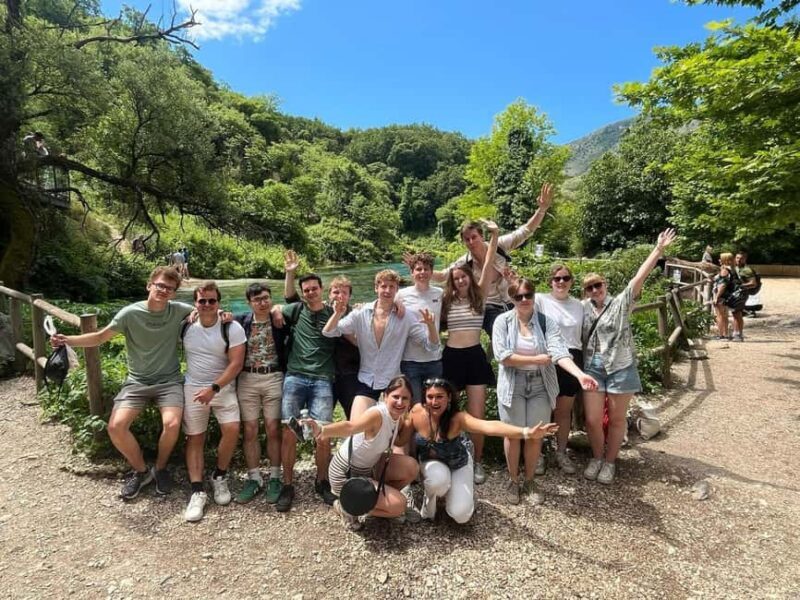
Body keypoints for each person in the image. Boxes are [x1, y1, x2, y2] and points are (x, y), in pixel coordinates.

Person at [49, 266, 191, 499]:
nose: (164, 290)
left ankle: (161, 468)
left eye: (170, 288)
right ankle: (141, 471)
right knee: (116, 427)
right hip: (137, 381)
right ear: (149, 285)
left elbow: (209, 310)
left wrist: (222, 315)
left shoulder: (179, 310)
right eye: (160, 285)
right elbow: (99, 337)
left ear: (174, 293)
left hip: (169, 381)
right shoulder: (129, 314)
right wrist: (67, 340)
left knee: (173, 424)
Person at [581, 228, 677, 485]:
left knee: (616, 420)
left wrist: (658, 250)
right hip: (592, 368)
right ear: (586, 292)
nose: (595, 290)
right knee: (591, 420)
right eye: (590, 287)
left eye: (598, 285)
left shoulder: (621, 303)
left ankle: (610, 462)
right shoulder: (583, 309)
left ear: (605, 285)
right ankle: (597, 457)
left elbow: (638, 278)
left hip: (620, 367)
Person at [492, 278, 597, 504]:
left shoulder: (546, 322)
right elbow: (503, 356)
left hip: (540, 384)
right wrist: (538, 358)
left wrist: (580, 375)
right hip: (513, 384)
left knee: (535, 435)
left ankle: (529, 481)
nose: (524, 300)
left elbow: (559, 352)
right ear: (512, 299)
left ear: (533, 296)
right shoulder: (502, 321)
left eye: (528, 295)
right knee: (513, 435)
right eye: (518, 296)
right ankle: (513, 480)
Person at [397, 378, 558, 521]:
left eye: (440, 396)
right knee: (437, 481)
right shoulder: (416, 413)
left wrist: (526, 432)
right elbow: (400, 440)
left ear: (449, 398)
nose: (434, 401)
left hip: (459, 463)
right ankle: (430, 504)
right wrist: (393, 418)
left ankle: (462, 496)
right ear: (424, 399)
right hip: (432, 463)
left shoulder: (458, 418)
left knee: (460, 515)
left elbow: (489, 426)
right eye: (430, 397)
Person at [432, 182, 554, 337]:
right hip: (489, 305)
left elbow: (525, 231)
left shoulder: (499, 245)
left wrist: (542, 209)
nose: (471, 242)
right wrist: (422, 271)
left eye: (474, 237)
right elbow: (443, 276)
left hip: (512, 298)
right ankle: (505, 357)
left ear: (481, 236)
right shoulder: (465, 263)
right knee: (501, 331)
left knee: (536, 327)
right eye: (467, 239)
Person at [304, 376, 419, 530]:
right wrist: (322, 430)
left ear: (410, 401)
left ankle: (374, 502)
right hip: (346, 474)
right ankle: (347, 506)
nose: (400, 402)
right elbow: (350, 427)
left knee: (411, 467)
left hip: (369, 467)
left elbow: (398, 442)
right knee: (399, 506)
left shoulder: (396, 416)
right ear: (385, 397)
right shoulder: (377, 415)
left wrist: (412, 420)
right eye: (395, 397)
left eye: (405, 398)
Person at [322, 269, 439, 421]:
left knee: (398, 435)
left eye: (392, 287)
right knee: (356, 428)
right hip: (366, 380)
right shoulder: (360, 313)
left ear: (397, 290)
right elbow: (329, 332)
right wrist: (337, 313)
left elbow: (432, 346)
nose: (387, 290)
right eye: (384, 286)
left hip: (393, 382)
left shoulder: (407, 317)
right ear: (376, 288)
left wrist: (430, 326)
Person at [439, 219, 499, 484]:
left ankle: (477, 462)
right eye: (456, 278)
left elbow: (487, 265)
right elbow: (424, 284)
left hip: (474, 357)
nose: (461, 280)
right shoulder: (446, 301)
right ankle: (446, 455)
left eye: (464, 276)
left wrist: (494, 236)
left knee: (477, 414)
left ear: (469, 278)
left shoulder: (480, 296)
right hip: (450, 358)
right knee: (445, 411)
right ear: (452, 282)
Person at [182, 282, 246, 522]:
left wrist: (214, 388)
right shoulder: (185, 325)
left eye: (212, 301)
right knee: (195, 437)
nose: (207, 305)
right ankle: (197, 490)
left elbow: (236, 364)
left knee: (232, 429)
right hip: (193, 387)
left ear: (219, 303)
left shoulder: (232, 327)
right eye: (202, 301)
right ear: (195, 304)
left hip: (222, 386)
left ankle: (219, 475)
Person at [275, 272, 338, 512]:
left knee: (323, 434)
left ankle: (322, 481)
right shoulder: (296, 310)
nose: (311, 292)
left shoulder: (334, 312)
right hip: (295, 376)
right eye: (307, 290)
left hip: (323, 379)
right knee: (289, 431)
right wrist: (276, 309)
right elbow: (277, 307)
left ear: (322, 289)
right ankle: (287, 484)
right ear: (303, 293)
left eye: (314, 288)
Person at [284, 250, 360, 419]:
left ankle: (353, 445)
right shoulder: (320, 309)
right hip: (325, 375)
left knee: (353, 418)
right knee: (319, 423)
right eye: (335, 292)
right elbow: (291, 298)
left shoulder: (356, 314)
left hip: (349, 374)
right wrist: (290, 273)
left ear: (350, 296)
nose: (339, 296)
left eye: (344, 293)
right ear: (328, 293)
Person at [234, 283, 287, 505]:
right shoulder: (241, 321)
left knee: (274, 428)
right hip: (247, 379)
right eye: (257, 300)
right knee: (250, 429)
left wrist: (278, 309)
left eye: (266, 298)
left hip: (274, 377)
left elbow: (295, 303)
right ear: (249, 303)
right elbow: (215, 315)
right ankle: (254, 477)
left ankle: (275, 476)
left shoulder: (280, 319)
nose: (262, 303)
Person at [533, 264, 585, 475]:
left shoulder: (580, 305)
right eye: (557, 278)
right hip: (549, 357)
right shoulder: (540, 300)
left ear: (571, 281)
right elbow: (519, 300)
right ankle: (538, 453)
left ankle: (561, 451)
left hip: (572, 358)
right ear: (550, 282)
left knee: (564, 411)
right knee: (543, 408)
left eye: (565, 278)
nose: (561, 282)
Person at [397, 252, 444, 403]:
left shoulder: (440, 293)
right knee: (415, 406)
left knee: (434, 405)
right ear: (411, 273)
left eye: (426, 269)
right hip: (410, 361)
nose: (422, 272)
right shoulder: (401, 295)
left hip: (434, 360)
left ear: (431, 272)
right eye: (418, 269)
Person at [732, 251, 757, 342]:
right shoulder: (735, 268)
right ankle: (735, 333)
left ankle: (739, 334)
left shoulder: (747, 270)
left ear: (745, 259)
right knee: (735, 313)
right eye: (737, 258)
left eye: (741, 258)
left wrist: (741, 286)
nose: (739, 260)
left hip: (742, 293)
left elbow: (753, 283)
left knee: (738, 313)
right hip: (736, 293)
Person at [712, 253, 736, 340]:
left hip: (721, 296)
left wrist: (716, 297)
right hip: (726, 296)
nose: (718, 260)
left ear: (724, 260)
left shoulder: (724, 271)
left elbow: (722, 285)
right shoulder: (730, 270)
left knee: (720, 316)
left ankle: (721, 334)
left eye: (720, 258)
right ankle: (726, 334)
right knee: (725, 315)